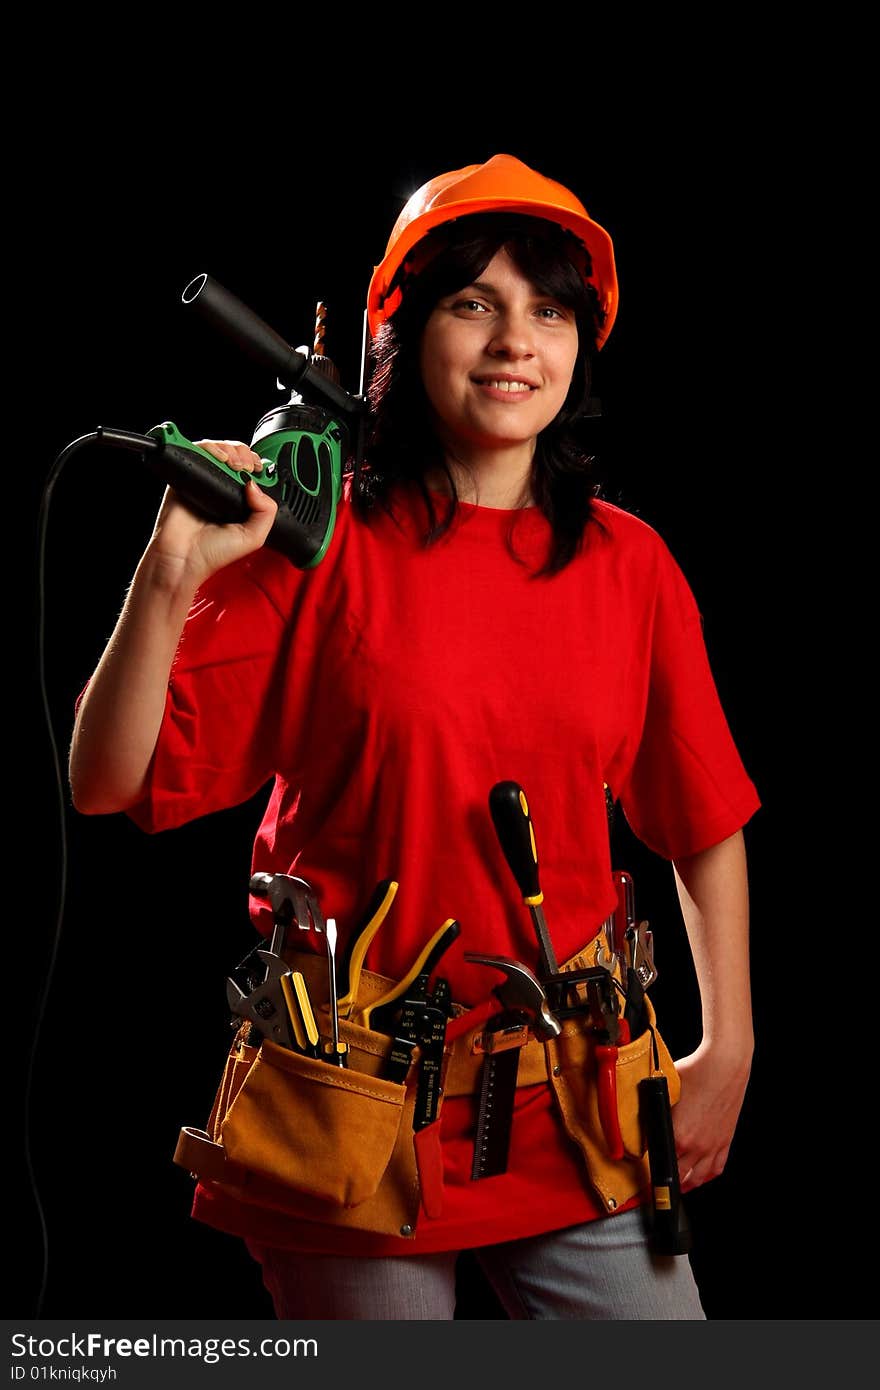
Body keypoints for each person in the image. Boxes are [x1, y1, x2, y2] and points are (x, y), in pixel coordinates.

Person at [69, 153, 760, 1320]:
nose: (513, 343)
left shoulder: (629, 565)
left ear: (581, 344)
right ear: (400, 334)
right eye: (472, 303)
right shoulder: (313, 544)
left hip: (574, 1092)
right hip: (346, 1101)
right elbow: (105, 780)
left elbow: (702, 818)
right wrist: (168, 567)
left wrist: (727, 1049)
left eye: (547, 309)